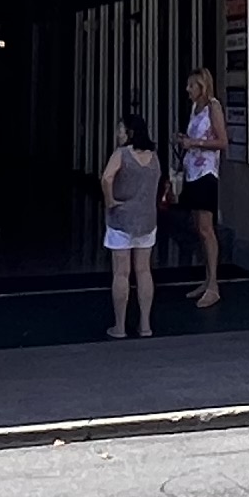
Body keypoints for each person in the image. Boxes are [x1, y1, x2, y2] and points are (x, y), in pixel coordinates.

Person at [98, 112, 164, 338]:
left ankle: (120, 326)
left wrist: (110, 201)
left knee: (122, 273)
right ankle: (145, 325)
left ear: (130, 133)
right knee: (144, 271)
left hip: (122, 219)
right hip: (147, 219)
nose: (118, 134)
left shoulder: (122, 154)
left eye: (120, 130)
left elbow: (106, 178)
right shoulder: (153, 157)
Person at [175, 68, 227, 310]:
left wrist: (195, 142)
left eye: (191, 85)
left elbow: (221, 141)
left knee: (207, 229)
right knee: (198, 227)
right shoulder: (195, 109)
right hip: (193, 172)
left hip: (207, 173)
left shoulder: (212, 107)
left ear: (201, 87)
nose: (188, 90)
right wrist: (185, 140)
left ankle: (214, 284)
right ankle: (206, 279)